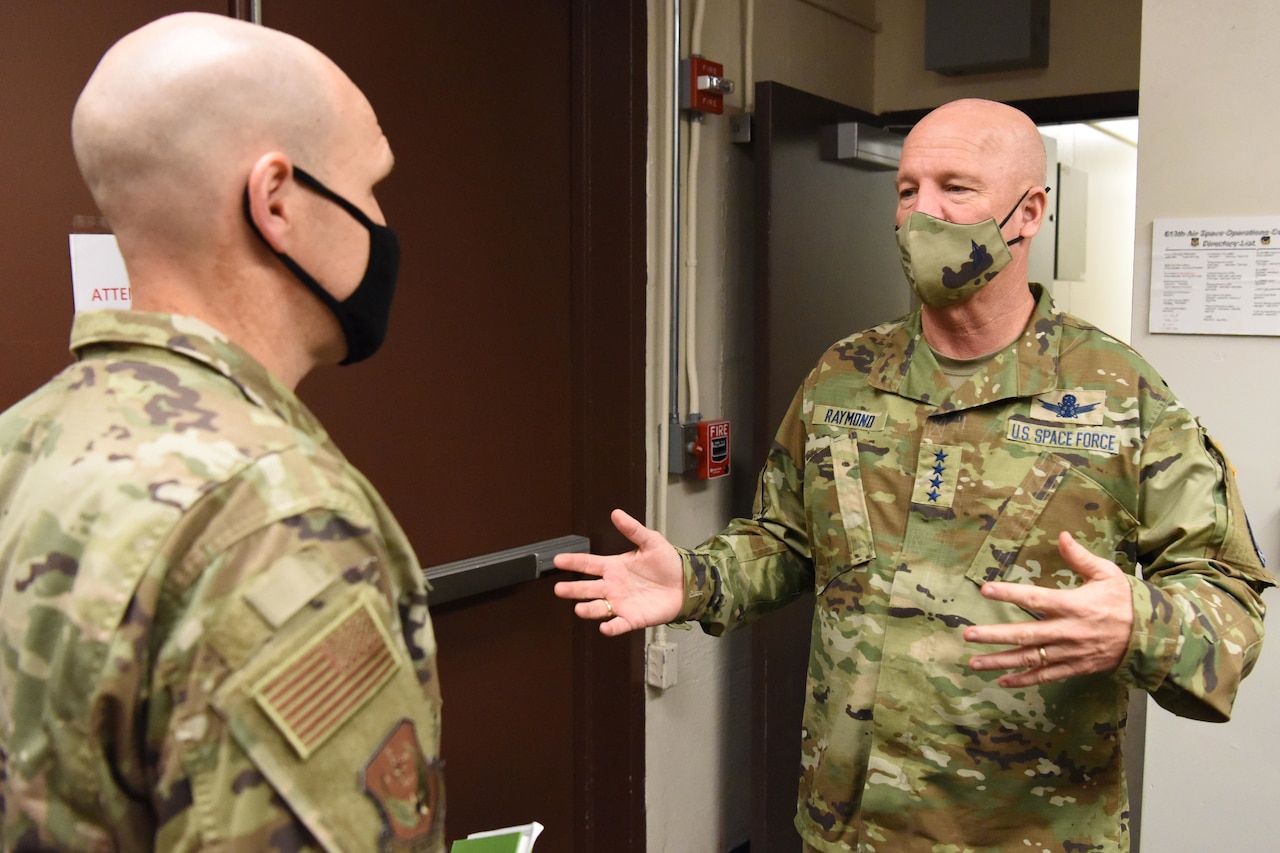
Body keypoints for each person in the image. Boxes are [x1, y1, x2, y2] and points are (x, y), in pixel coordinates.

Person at [555, 98, 1273, 852]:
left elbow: (1230, 599)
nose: (918, 214)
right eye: (906, 190)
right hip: (848, 825)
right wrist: (696, 580)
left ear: (1028, 213)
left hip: (1028, 832)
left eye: (954, 189)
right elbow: (787, 541)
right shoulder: (843, 377)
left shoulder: (1122, 396)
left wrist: (1140, 623)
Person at [0, 13, 445, 851]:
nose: (381, 222)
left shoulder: (20, 443)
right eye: (370, 186)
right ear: (276, 200)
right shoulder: (278, 524)